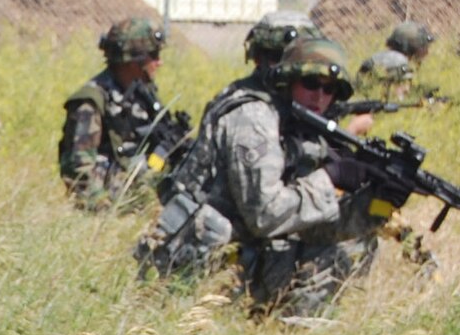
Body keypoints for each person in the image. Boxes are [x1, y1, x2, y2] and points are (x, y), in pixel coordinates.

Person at [137, 37, 381, 316]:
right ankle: (283, 331)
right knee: (325, 255)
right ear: (289, 82)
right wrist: (330, 177)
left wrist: (373, 204)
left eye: (329, 89)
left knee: (346, 245)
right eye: (310, 84)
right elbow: (264, 214)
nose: (320, 96)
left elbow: (310, 226)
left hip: (240, 251)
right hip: (196, 264)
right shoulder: (254, 118)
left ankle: (290, 330)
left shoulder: (298, 127)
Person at [57, 17, 168, 211]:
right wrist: (103, 211)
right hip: (107, 206)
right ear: (134, 60)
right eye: (153, 55)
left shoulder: (142, 94)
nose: (159, 62)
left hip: (140, 198)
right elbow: (78, 170)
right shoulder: (91, 101)